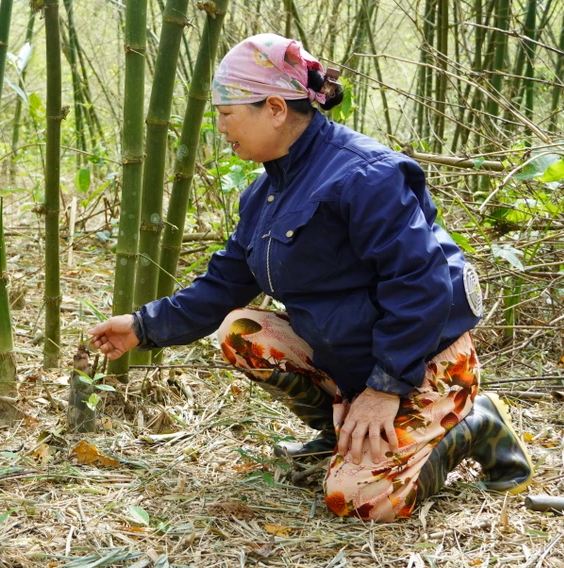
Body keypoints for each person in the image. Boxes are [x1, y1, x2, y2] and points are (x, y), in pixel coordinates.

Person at [89, 34, 532, 522]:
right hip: (353, 363)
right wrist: (142, 326)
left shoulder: (367, 175)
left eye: (227, 113)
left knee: (361, 502)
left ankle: (472, 425)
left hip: (421, 358)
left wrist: (385, 388)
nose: (220, 127)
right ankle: (340, 435)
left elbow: (420, 284)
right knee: (243, 331)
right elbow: (225, 282)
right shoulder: (264, 195)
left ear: (275, 108)